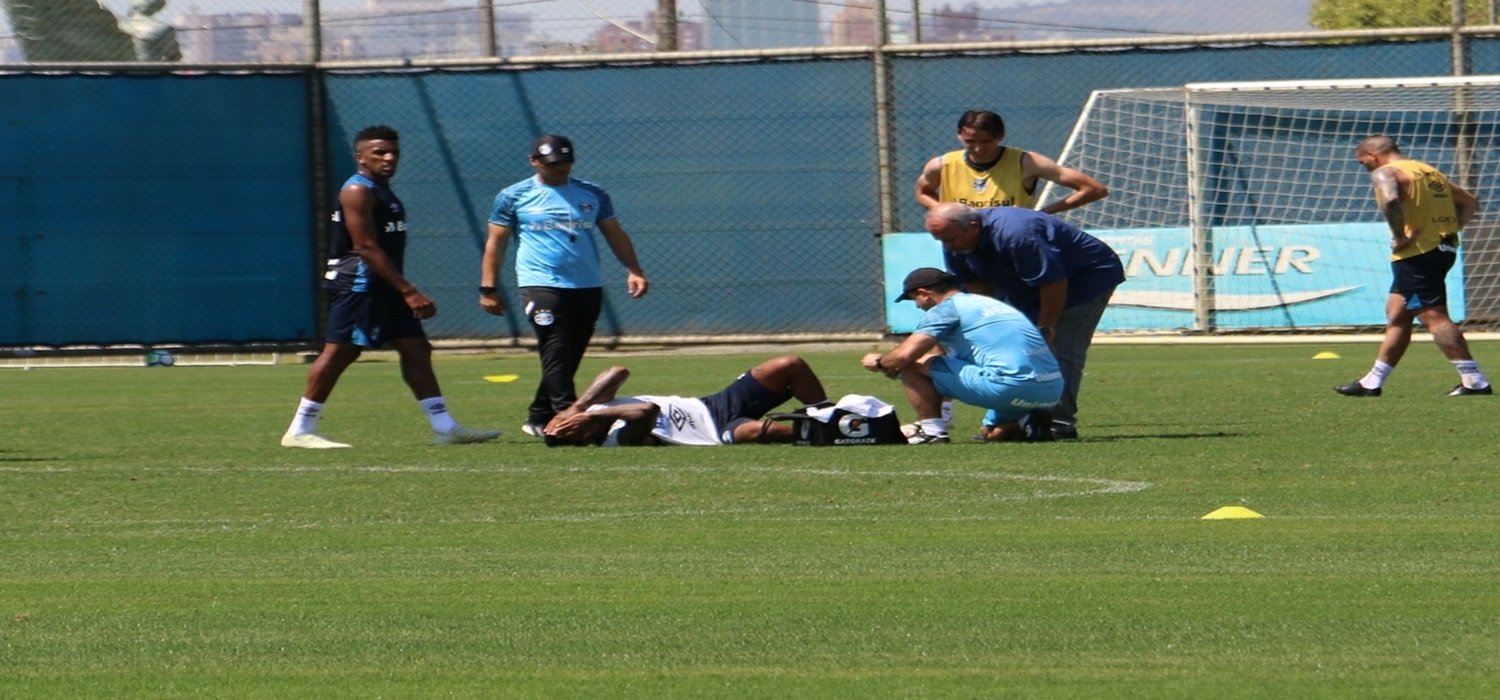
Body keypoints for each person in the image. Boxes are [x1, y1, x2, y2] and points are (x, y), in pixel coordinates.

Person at [281, 126, 501, 449]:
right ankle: (300, 429)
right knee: (341, 351)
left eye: (393, 152)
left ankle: (444, 427)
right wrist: (409, 290)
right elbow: (365, 247)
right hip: (359, 283)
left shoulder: (382, 190)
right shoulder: (357, 191)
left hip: (384, 284)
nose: (389, 158)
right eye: (380, 152)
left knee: (416, 348)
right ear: (360, 157)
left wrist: (399, 288)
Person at [480, 134, 650, 438]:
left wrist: (633, 270)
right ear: (534, 161)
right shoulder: (513, 196)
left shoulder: (592, 193)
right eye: (551, 163)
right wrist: (488, 288)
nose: (559, 169)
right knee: (556, 349)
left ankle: (538, 415)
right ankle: (566, 420)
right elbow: (496, 243)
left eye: (564, 162)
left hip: (586, 285)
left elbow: (615, 233)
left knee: (569, 354)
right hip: (539, 283)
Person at [924, 202, 1124, 440]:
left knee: (1057, 350)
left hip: (1082, 280)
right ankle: (1009, 421)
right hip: (1024, 286)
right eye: (941, 241)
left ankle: (1058, 424)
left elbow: (1053, 283)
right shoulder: (955, 243)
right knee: (1011, 350)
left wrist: (1046, 330)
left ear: (973, 227)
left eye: (950, 239)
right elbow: (976, 286)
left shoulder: (1018, 234)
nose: (948, 246)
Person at [1334, 135, 1491, 398]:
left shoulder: (1386, 172)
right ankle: (1372, 382)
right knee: (1397, 313)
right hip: (1442, 247)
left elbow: (1392, 200)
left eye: (1364, 163)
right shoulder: (1429, 172)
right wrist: (1451, 230)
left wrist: (1400, 235)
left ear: (1373, 155)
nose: (1366, 169)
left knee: (1433, 315)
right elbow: (1470, 201)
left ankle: (1474, 381)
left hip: (1417, 251)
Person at [863, 268, 1063, 445]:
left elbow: (905, 356)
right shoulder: (986, 303)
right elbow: (941, 358)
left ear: (924, 294)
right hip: (1051, 391)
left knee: (909, 364)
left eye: (914, 299)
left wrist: (880, 362)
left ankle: (933, 432)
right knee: (991, 434)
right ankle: (1026, 422)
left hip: (1009, 386)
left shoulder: (945, 310)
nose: (917, 306)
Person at [542, 356, 829, 447]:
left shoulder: (593, 408)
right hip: (716, 432)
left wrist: (578, 407)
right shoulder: (616, 439)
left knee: (788, 365)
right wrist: (591, 418)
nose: (575, 424)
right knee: (758, 431)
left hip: (713, 404)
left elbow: (619, 371)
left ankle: (827, 415)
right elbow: (647, 410)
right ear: (583, 439)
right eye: (574, 429)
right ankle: (832, 434)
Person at [914, 109, 1108, 215]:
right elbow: (922, 192)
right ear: (959, 136)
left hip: (1011, 240)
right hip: (964, 242)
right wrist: (945, 212)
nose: (978, 149)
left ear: (1001, 136)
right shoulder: (942, 164)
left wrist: (1043, 213)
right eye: (970, 141)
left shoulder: (1026, 162)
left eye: (986, 141)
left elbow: (1095, 189)